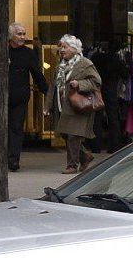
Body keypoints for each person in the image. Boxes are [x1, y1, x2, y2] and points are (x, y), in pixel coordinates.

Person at [49, 35, 102, 173]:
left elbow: (96, 82)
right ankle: (85, 156)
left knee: (73, 135)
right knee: (65, 134)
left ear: (74, 49)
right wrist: (47, 105)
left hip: (79, 106)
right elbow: (53, 86)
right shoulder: (60, 65)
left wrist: (80, 84)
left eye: (65, 47)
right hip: (63, 106)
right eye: (61, 47)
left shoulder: (85, 63)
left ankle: (72, 165)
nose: (61, 50)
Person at [6, 23, 47, 172]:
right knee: (3, 128)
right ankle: (1, 157)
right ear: (11, 36)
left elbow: (37, 74)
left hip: (20, 97)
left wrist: (47, 92)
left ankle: (13, 160)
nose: (23, 37)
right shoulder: (3, 51)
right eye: (19, 34)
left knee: (16, 128)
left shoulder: (29, 54)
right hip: (1, 97)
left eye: (24, 34)